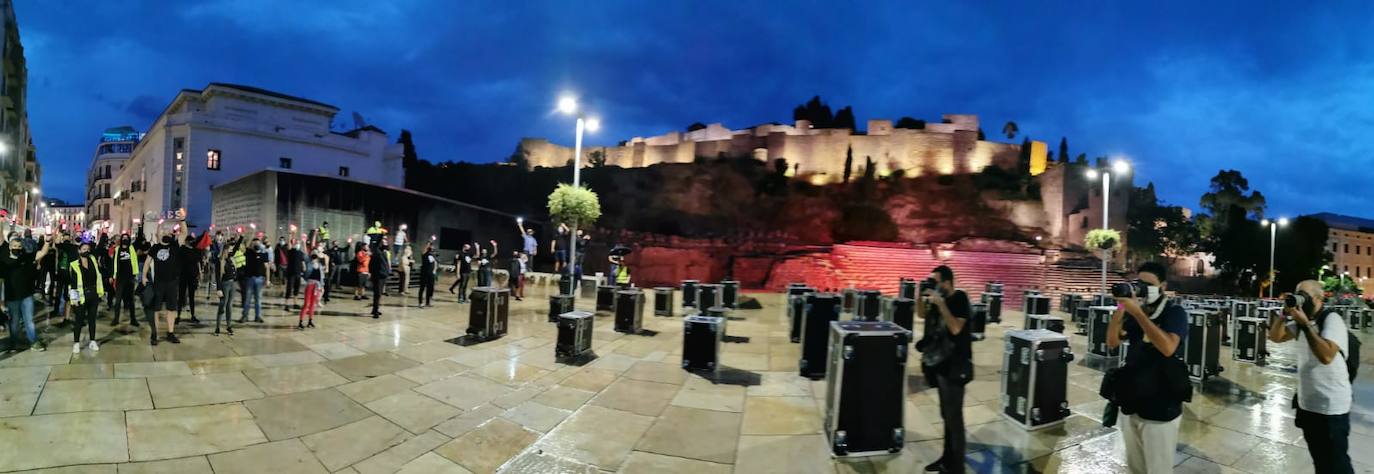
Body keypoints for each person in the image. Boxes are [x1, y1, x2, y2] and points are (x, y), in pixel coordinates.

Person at [1105, 262, 1188, 474]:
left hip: (1161, 403)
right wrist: (1122, 307)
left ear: (1162, 285)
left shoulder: (1175, 312)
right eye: (1139, 283)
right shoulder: (1135, 312)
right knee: (1136, 467)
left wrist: (1139, 315)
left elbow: (1168, 348)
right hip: (1133, 398)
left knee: (1157, 469)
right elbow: (1112, 342)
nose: (1142, 288)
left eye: (1148, 284)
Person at [1267, 280, 1353, 473]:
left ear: (1318, 298)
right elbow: (1275, 337)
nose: (1301, 300)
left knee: (1337, 465)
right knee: (1321, 461)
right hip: (1308, 406)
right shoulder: (1303, 321)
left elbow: (1326, 355)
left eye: (1304, 295)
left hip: (1331, 408)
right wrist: (1284, 313)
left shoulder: (1332, 320)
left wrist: (1305, 325)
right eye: (1298, 294)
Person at [914, 265, 972, 473]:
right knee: (946, 415)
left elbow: (956, 328)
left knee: (954, 419)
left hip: (956, 367)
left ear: (947, 282)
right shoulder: (937, 299)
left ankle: (957, 468)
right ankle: (947, 460)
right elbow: (920, 314)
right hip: (939, 364)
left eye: (935, 281)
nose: (933, 285)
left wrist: (941, 304)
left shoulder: (959, 299)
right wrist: (920, 295)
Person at [3, 236, 49, 351]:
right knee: (14, 322)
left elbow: (42, 253)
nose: (17, 248)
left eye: (19, 246)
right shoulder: (3, 261)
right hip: (12, 297)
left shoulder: (26, 257)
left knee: (29, 320)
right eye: (14, 246)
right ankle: (13, 343)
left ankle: (33, 342)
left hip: (26, 296)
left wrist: (47, 242)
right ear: (9, 247)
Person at [141, 228, 183, 345]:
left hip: (172, 283)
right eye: (163, 231)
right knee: (156, 309)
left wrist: (182, 220)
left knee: (171, 309)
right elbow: (147, 262)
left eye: (168, 232)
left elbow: (184, 233)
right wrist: (144, 276)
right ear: (158, 234)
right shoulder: (155, 248)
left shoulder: (175, 245)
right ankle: (155, 333)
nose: (166, 233)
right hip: (159, 283)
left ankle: (170, 333)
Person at [68, 240, 105, 353]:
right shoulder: (74, 265)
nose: (86, 251)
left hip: (93, 294)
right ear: (79, 251)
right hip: (81, 295)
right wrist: (74, 299)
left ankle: (92, 341)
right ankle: (76, 343)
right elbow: (73, 283)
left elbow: (98, 275)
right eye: (84, 249)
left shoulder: (93, 260)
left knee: (92, 319)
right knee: (79, 320)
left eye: (88, 249)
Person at [109, 235, 141, 327]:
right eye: (123, 238)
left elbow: (139, 240)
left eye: (127, 238)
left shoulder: (132, 248)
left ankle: (133, 319)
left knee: (131, 299)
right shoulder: (117, 249)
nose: (125, 240)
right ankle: (116, 319)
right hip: (120, 278)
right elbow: (113, 263)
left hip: (130, 277)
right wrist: (112, 275)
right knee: (118, 300)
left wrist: (139, 226)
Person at [215, 237, 241, 335]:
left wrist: (241, 236)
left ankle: (229, 326)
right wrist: (218, 289)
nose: (231, 251)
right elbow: (217, 276)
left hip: (233, 284)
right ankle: (217, 327)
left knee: (229, 306)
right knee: (222, 305)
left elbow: (236, 247)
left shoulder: (230, 258)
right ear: (225, 250)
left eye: (231, 249)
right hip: (225, 285)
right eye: (229, 249)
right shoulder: (220, 261)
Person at [239, 238, 269, 323]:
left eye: (258, 243)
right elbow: (244, 247)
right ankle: (245, 316)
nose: (256, 245)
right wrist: (252, 237)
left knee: (258, 299)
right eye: (255, 243)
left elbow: (267, 268)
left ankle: (258, 316)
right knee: (247, 299)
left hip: (260, 279)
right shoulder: (249, 253)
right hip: (249, 279)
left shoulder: (264, 254)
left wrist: (268, 280)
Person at [176, 234, 204, 325]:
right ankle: (178, 315)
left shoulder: (195, 250)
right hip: (183, 276)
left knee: (192, 297)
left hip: (192, 276)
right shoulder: (182, 250)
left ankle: (192, 315)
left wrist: (199, 274)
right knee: (181, 297)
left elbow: (198, 262)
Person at [299, 252, 323, 329]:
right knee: (306, 304)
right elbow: (306, 274)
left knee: (313, 304)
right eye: (313, 258)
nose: (314, 260)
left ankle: (310, 320)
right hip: (310, 285)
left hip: (317, 286)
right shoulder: (309, 265)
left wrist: (321, 286)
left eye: (315, 258)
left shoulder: (320, 266)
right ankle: (301, 321)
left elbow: (321, 276)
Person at [368, 240, 390, 318]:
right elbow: (372, 265)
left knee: (378, 294)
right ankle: (375, 311)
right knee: (377, 294)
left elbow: (386, 264)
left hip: (382, 275)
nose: (386, 245)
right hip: (378, 276)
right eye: (384, 243)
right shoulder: (377, 254)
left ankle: (375, 309)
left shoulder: (383, 253)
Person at [284, 240, 305, 309]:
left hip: (298, 273)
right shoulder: (291, 252)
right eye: (296, 243)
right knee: (289, 288)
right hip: (291, 273)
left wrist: (304, 267)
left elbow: (302, 261)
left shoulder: (301, 253)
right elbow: (289, 245)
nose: (297, 244)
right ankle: (286, 304)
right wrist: (291, 235)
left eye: (298, 243)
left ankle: (295, 303)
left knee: (297, 288)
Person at [417, 243, 437, 308]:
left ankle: (428, 302)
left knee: (430, 288)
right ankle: (420, 303)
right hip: (424, 273)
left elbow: (434, 263)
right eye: (431, 246)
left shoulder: (432, 255)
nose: (432, 248)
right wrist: (428, 243)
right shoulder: (424, 254)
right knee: (422, 288)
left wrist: (434, 271)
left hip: (431, 274)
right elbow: (423, 250)